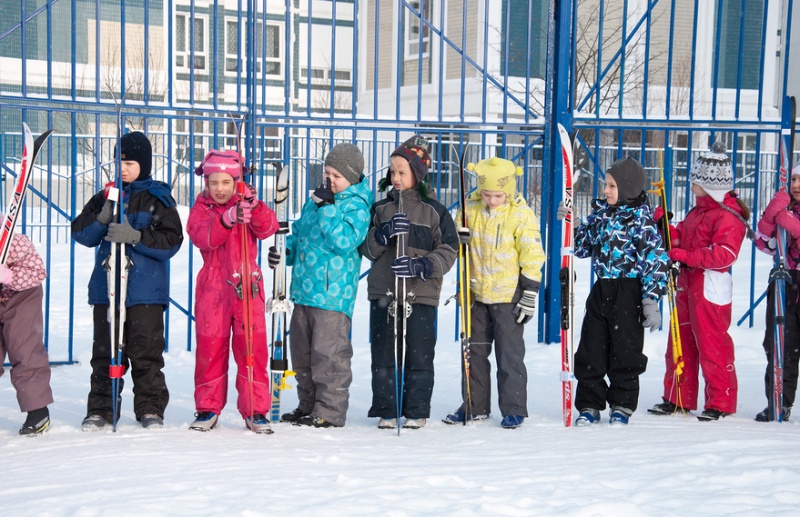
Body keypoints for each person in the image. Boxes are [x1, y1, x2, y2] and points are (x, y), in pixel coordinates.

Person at [72, 131, 184, 430]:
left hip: (144, 292)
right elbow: (81, 234)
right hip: (107, 289)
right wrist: (102, 218)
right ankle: (102, 408)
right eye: (118, 161)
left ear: (144, 164)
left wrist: (136, 237)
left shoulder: (158, 198)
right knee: (105, 352)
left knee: (146, 353)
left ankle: (150, 408)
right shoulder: (104, 196)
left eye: (130, 162)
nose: (122, 168)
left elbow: (172, 241)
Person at [359, 135, 458, 430]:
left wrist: (423, 264)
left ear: (418, 174)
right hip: (385, 293)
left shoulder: (435, 212)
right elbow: (366, 249)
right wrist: (382, 234)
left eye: (402, 171)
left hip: (420, 295)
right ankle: (388, 408)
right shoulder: (380, 209)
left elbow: (449, 249)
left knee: (419, 353)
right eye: (392, 171)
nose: (396, 177)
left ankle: (416, 409)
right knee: (384, 352)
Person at [648, 142, 750, 421]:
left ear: (711, 185)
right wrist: (665, 228)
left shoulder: (728, 216)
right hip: (686, 284)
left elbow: (724, 255)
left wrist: (684, 255)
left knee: (712, 345)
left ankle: (720, 401)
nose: (691, 183)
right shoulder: (697, 212)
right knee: (679, 343)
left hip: (709, 288)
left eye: (697, 179)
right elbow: (680, 237)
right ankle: (678, 396)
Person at [441, 157, 545, 429]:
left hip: (508, 296)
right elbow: (452, 239)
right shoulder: (469, 208)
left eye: (498, 195)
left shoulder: (521, 214)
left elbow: (532, 254)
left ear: (509, 190)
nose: (492, 200)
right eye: (486, 194)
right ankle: (474, 405)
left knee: (509, 355)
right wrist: (458, 237)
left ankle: (513, 408)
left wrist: (530, 291)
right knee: (473, 353)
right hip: (475, 294)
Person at [276, 143, 372, 428]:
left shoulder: (356, 206)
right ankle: (308, 405)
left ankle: (330, 410)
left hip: (332, 296)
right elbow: (301, 234)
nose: (329, 180)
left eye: (337, 176)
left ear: (352, 178)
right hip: (304, 291)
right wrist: (285, 251)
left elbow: (344, 241)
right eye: (326, 173)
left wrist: (327, 209)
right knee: (302, 355)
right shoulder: (316, 200)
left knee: (328, 356)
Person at [186, 149, 279, 434]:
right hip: (213, 288)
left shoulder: (247, 204)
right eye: (214, 183)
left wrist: (255, 206)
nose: (219, 189)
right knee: (210, 349)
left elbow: (268, 228)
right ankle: (208, 407)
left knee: (251, 350)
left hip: (246, 287)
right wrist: (226, 219)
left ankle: (256, 410)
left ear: (236, 182)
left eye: (226, 182)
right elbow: (201, 237)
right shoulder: (202, 208)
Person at [571, 156, 668, 426]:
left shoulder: (642, 222)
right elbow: (582, 247)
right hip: (602, 290)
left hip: (629, 293)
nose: (605, 190)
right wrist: (574, 224)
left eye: (611, 186)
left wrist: (651, 299)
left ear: (626, 188)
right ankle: (589, 404)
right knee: (591, 350)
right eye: (605, 185)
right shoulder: (601, 214)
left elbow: (655, 261)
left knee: (626, 352)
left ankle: (622, 405)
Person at [751, 165, 800, 422]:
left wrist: (796, 228)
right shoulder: (783, 207)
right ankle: (779, 401)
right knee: (781, 345)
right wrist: (771, 217)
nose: (796, 184)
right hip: (784, 281)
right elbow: (763, 242)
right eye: (793, 178)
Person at [0, 234, 54, 435]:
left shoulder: (14, 241)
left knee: (24, 349)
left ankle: (38, 412)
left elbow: (37, 272)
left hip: (22, 297)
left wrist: (8, 276)